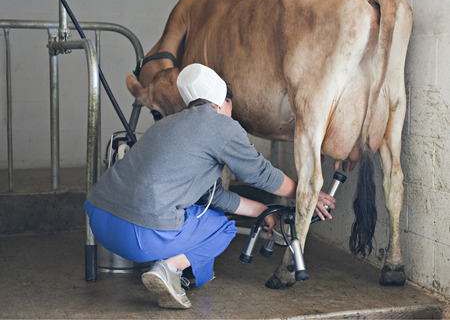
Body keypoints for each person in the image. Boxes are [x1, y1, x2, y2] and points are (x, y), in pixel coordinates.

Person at [85, 63, 336, 309]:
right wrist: (307, 194)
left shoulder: (167, 125)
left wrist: (262, 211)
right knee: (222, 228)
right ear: (221, 102)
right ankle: (169, 269)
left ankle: (176, 269)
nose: (231, 110)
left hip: (98, 220)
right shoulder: (221, 126)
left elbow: (209, 196)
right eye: (230, 104)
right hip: (137, 237)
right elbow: (260, 174)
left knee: (208, 215)